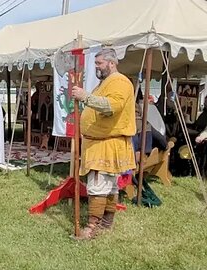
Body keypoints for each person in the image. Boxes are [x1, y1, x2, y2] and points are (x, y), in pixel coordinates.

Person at [72, 48, 136, 240]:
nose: (96, 67)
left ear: (111, 63)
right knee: (109, 186)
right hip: (101, 142)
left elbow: (111, 107)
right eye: (95, 63)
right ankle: (106, 224)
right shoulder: (105, 83)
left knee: (99, 185)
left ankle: (93, 227)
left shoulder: (120, 82)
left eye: (99, 63)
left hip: (107, 143)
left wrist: (86, 97)